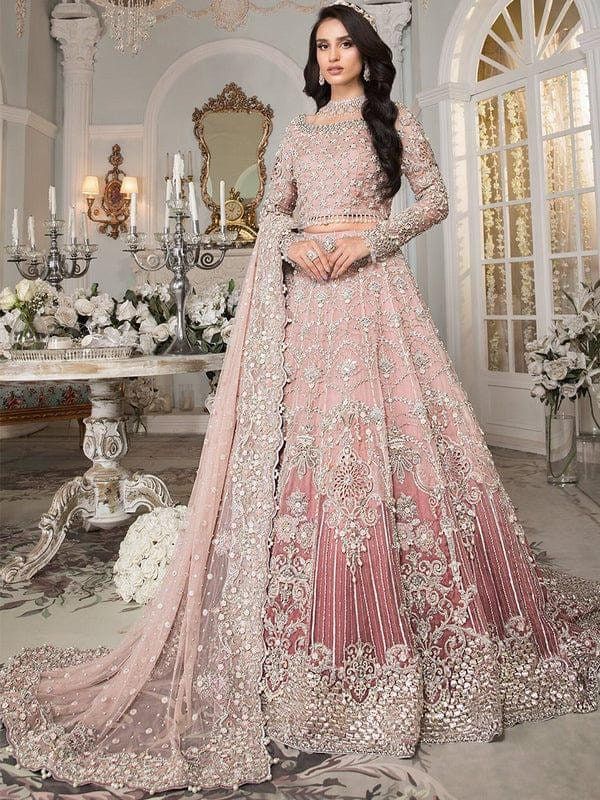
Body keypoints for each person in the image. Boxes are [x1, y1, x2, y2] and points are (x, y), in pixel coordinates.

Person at [1, 1, 598, 795]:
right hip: (310, 305)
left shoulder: (394, 120)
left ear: (365, 52)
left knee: (393, 451)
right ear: (313, 60)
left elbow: (433, 200)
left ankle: (413, 620)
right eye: (323, 46)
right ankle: (306, 626)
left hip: (375, 296)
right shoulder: (296, 133)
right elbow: (270, 216)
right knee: (311, 456)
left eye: (346, 42)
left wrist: (367, 240)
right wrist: (295, 245)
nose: (335, 55)